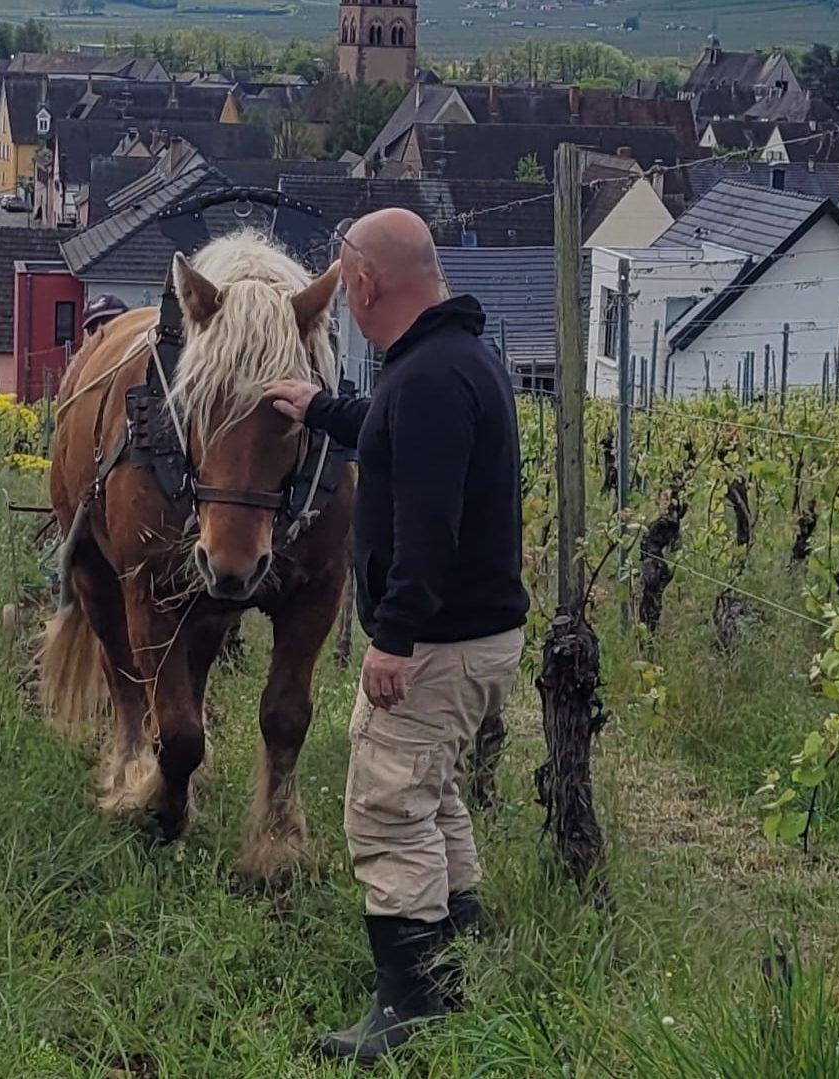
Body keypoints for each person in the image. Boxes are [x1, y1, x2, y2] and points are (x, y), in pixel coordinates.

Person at [265, 208, 529, 1063]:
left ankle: (410, 1007)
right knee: (430, 790)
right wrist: (322, 408)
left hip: (436, 642)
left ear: (366, 283)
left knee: (386, 806)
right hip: (476, 636)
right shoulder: (455, 360)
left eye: (347, 286)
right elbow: (395, 432)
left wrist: (395, 637)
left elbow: (428, 523)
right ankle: (459, 956)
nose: (347, 302)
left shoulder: (428, 381)